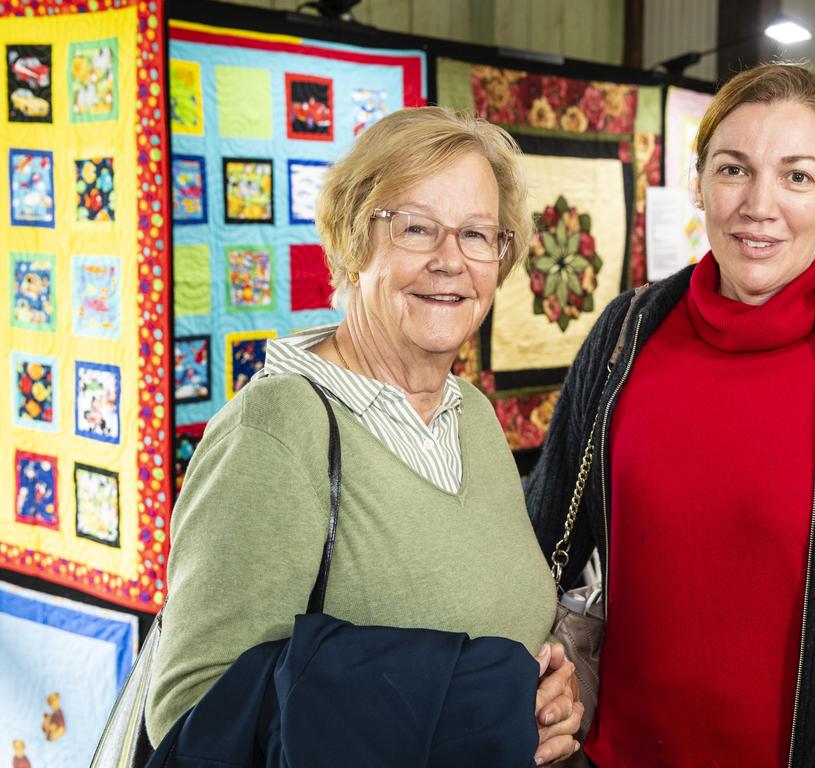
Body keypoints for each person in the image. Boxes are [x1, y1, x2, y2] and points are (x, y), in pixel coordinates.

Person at [528, 62, 815, 766]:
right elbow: (538, 545)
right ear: (701, 182)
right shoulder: (624, 338)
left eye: (798, 176)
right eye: (734, 168)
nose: (759, 204)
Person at [147, 106, 582, 764]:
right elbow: (194, 714)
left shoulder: (473, 416)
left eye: (476, 235)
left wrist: (549, 697)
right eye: (416, 229)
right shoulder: (277, 431)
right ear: (353, 243)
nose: (449, 261)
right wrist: (483, 709)